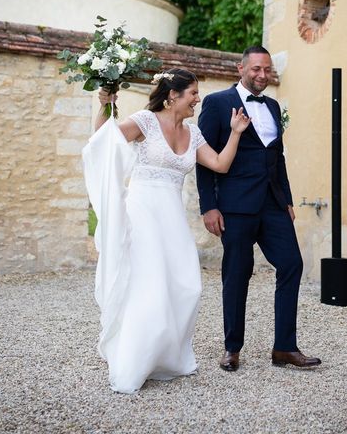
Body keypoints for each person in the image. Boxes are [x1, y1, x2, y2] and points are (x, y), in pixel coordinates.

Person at [83, 68, 251, 393]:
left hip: (171, 215)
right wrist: (105, 105)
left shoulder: (194, 132)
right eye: (193, 93)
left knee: (188, 285)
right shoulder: (145, 121)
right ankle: (135, 361)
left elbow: (219, 164)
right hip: (143, 211)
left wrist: (235, 133)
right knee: (151, 285)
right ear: (173, 95)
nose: (197, 99)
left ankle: (168, 356)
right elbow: (105, 142)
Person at [196, 45, 321, 371]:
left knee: (291, 264)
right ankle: (232, 348)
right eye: (256, 69)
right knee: (238, 273)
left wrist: (287, 199)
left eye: (267, 70)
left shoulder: (274, 105)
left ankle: (284, 348)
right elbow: (203, 158)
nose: (262, 75)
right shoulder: (217, 103)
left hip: (273, 204)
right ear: (241, 69)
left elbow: (276, 157)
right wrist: (209, 206)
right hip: (235, 206)